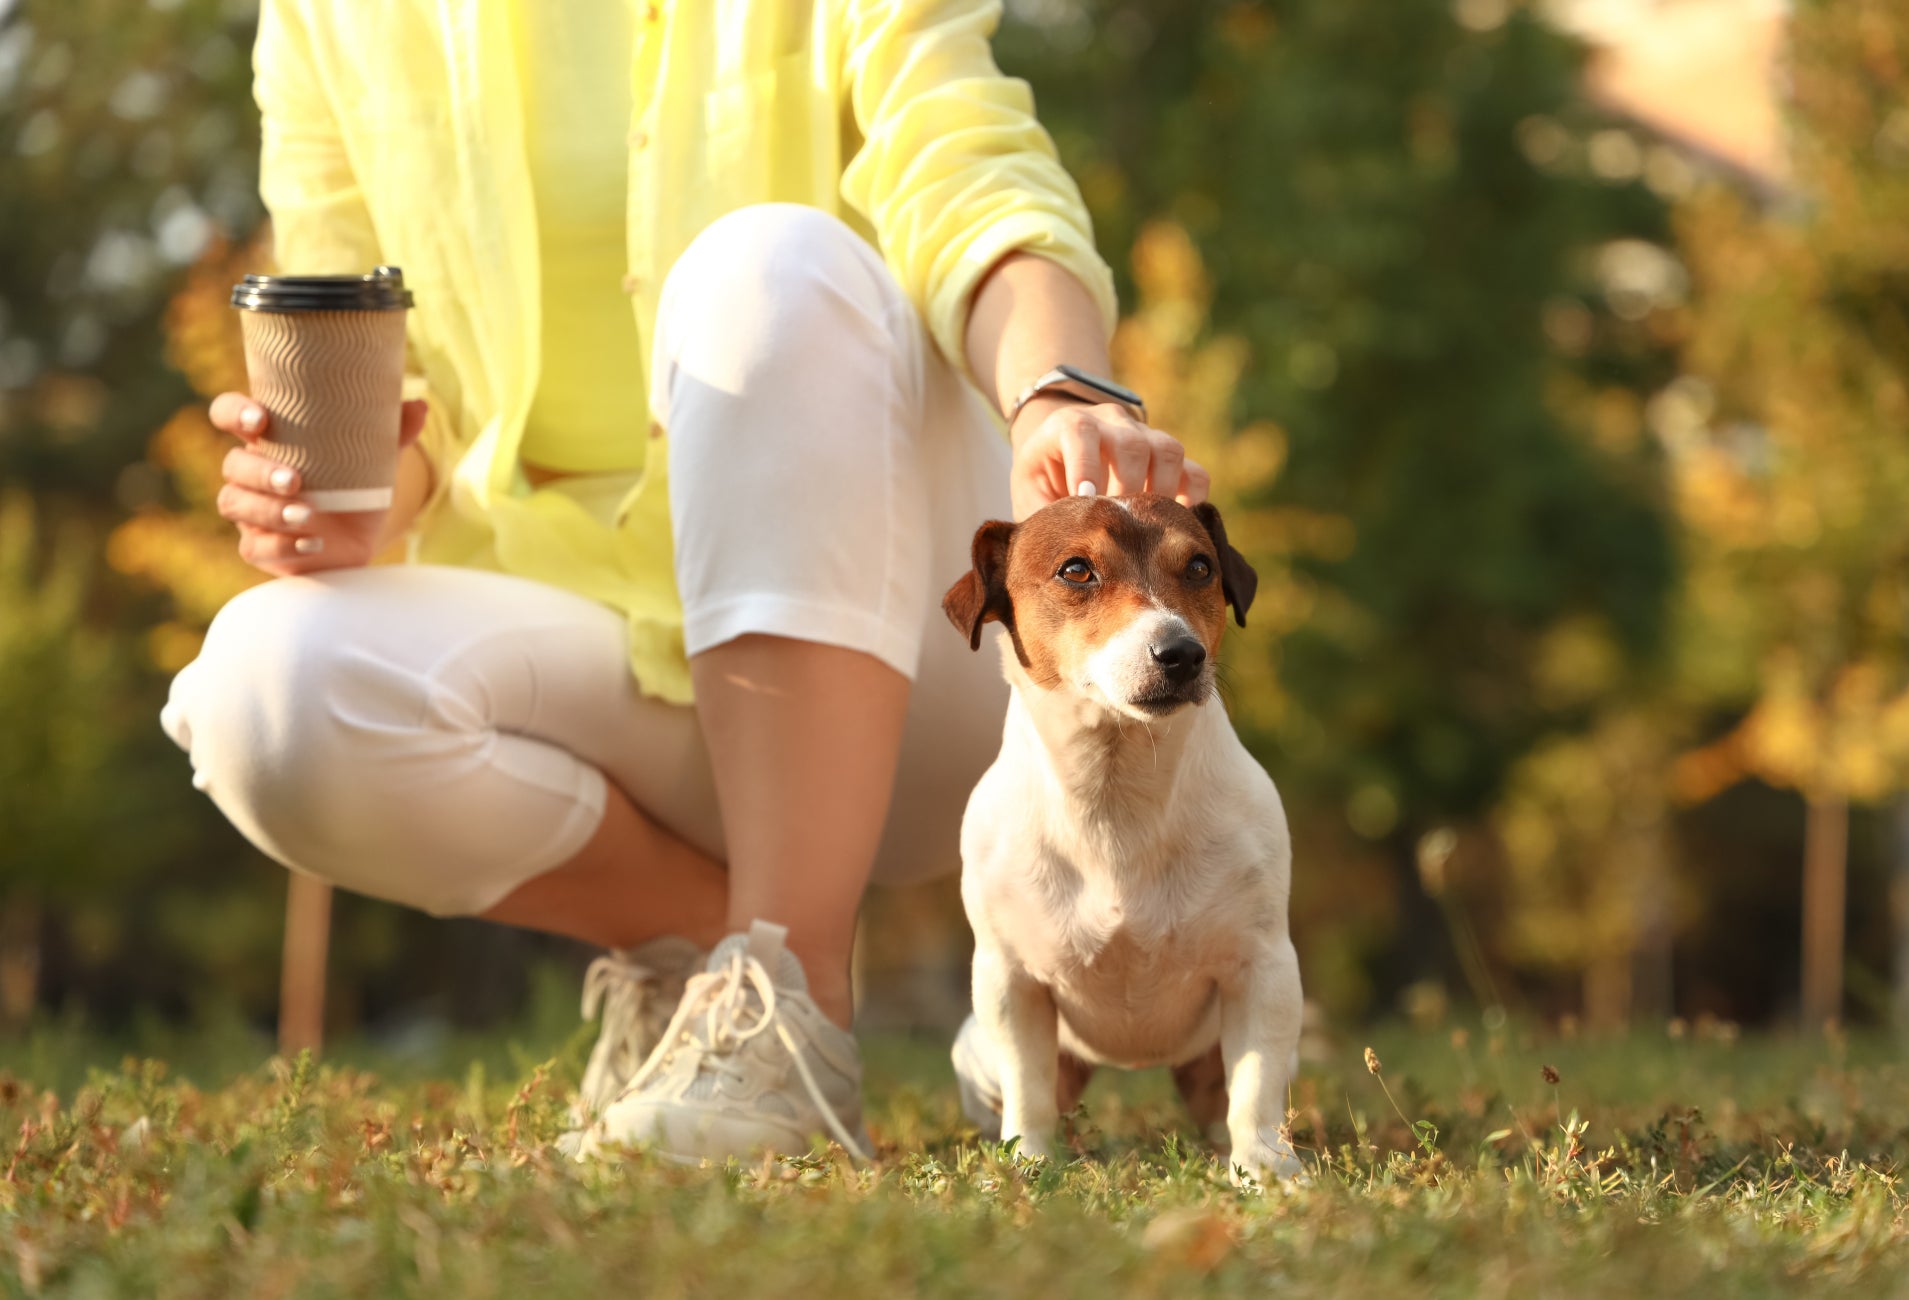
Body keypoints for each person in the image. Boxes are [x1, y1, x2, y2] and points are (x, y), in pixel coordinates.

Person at [163, 0, 1208, 1163]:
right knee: (265, 689)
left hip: (906, 652)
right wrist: (344, 497)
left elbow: (968, 163)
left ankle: (788, 1012)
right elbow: (380, 366)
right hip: (590, 656)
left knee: (770, 262)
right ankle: (717, 964)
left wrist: (1057, 390)